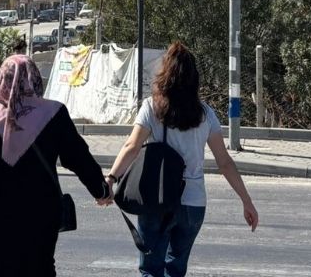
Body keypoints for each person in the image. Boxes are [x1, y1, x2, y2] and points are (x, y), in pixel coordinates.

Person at [0, 54, 110, 276]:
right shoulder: (54, 113)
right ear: (35, 79)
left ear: (2, 78)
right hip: (39, 207)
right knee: (37, 267)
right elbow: (78, 157)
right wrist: (100, 190)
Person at [106, 42, 259, 277]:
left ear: (165, 73)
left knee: (150, 269)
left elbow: (132, 146)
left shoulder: (152, 108)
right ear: (194, 78)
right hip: (193, 204)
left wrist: (111, 178)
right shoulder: (206, 114)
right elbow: (225, 162)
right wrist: (246, 201)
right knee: (176, 271)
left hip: (157, 200)